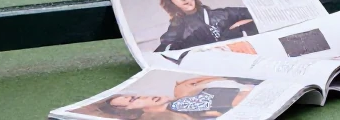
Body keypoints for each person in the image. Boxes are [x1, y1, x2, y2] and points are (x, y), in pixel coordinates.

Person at [153, 0, 257, 52]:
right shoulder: (177, 27)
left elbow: (259, 14)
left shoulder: (221, 15)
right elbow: (162, 52)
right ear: (172, 4)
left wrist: (238, 26)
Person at [88, 76, 261, 119]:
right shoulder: (180, 106)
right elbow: (239, 101)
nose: (140, 96)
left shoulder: (179, 101)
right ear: (133, 112)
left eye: (133, 95)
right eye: (133, 100)